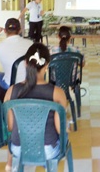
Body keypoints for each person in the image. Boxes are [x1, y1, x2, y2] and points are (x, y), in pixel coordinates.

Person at [4, 43, 67, 172]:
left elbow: (10, 127)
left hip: (18, 148)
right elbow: (60, 130)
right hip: (47, 150)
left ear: (25, 64)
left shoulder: (11, 91)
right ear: (47, 66)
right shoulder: (57, 92)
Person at [0, 18, 33, 90]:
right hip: (30, 83)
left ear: (4, 31)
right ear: (20, 30)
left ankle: (4, 96)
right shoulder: (30, 43)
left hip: (11, 85)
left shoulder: (0, 46)